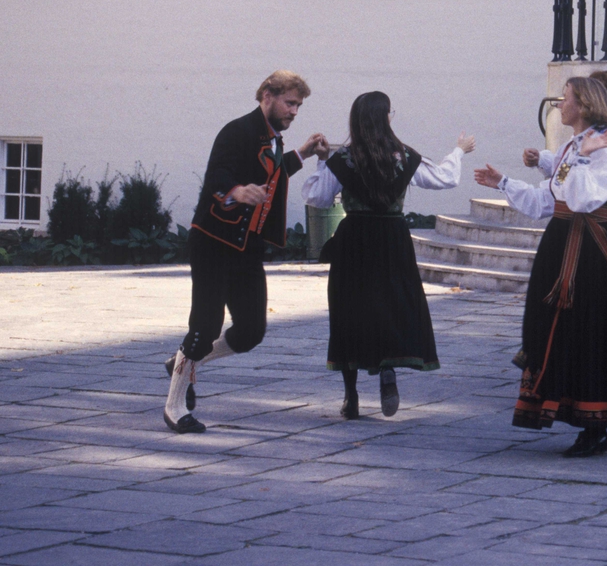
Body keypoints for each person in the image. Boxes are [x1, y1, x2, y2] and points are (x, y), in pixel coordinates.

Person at [475, 77, 607, 457]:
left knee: (589, 329)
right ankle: (571, 410)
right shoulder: (575, 145)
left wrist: (586, 156)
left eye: (566, 99)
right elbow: (549, 199)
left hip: (590, 249)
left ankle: (597, 425)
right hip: (560, 242)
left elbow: (585, 198)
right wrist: (503, 183)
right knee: (551, 326)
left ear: (584, 104)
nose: (559, 105)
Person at [163, 70, 326, 434]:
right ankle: (174, 406)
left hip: (247, 248)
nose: (295, 111)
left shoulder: (273, 139)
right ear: (267, 95)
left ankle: (182, 361)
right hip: (213, 242)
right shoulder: (236, 131)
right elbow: (217, 175)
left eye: (298, 105)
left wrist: (303, 152)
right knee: (205, 325)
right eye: (290, 102)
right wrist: (236, 191)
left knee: (251, 330)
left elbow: (273, 173)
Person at [301, 92, 475, 419]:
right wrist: (458, 151)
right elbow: (445, 178)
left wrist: (323, 159)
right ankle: (387, 370)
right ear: (386, 118)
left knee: (348, 310)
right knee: (391, 305)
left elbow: (317, 197)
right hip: (392, 239)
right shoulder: (404, 156)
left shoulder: (345, 158)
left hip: (354, 240)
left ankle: (350, 396)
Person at [523, 70, 607, 175]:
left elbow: (585, 185)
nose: (559, 105)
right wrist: (541, 159)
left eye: (565, 99)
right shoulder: (578, 139)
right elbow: (562, 175)